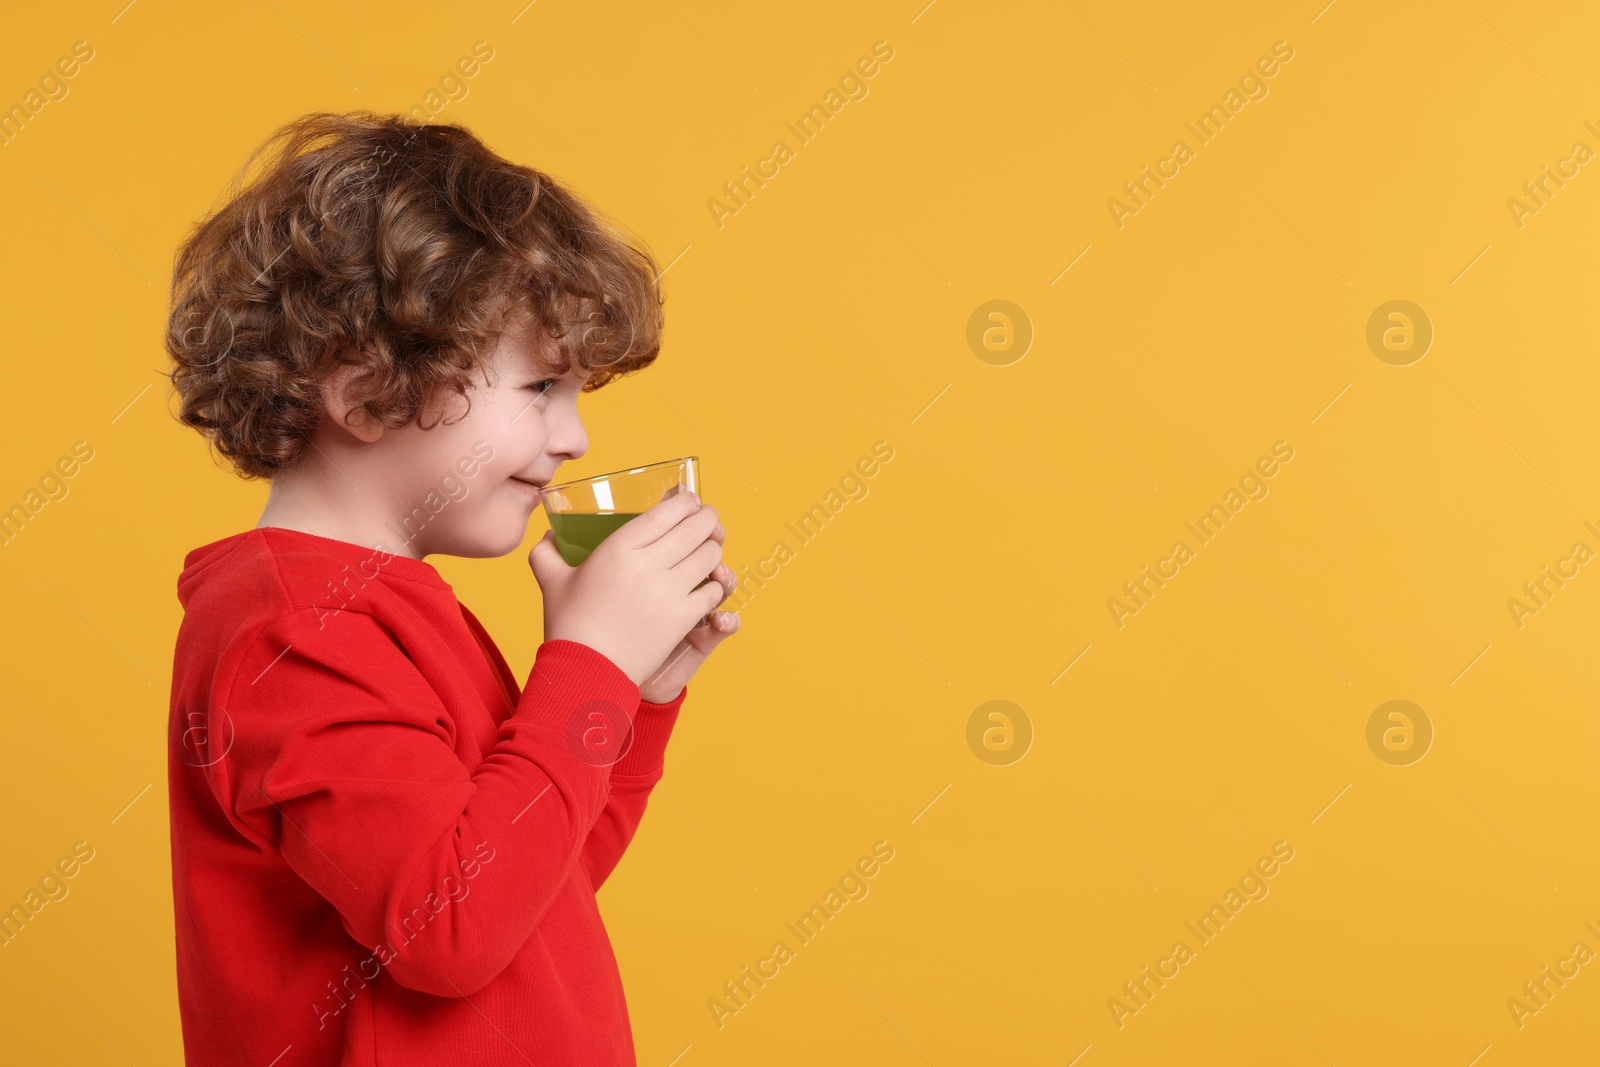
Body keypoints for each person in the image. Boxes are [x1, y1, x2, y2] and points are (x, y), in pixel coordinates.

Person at [162, 110, 739, 1066]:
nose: (574, 438)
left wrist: (631, 697)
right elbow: (449, 927)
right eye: (541, 389)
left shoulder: (387, 607)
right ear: (365, 384)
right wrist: (586, 661)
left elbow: (531, 899)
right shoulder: (296, 626)